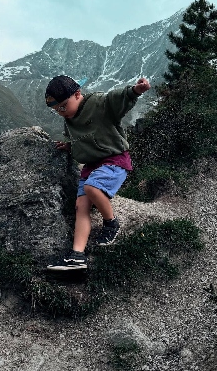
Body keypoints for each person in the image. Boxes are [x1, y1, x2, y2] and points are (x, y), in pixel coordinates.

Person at [43, 73, 151, 272]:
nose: (61, 112)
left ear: (77, 94)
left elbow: (116, 99)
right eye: (56, 110)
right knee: (81, 205)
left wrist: (135, 91)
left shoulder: (98, 103)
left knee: (92, 187)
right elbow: (80, 140)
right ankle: (77, 256)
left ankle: (111, 223)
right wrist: (69, 147)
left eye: (63, 106)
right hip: (91, 166)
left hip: (114, 160)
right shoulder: (69, 119)